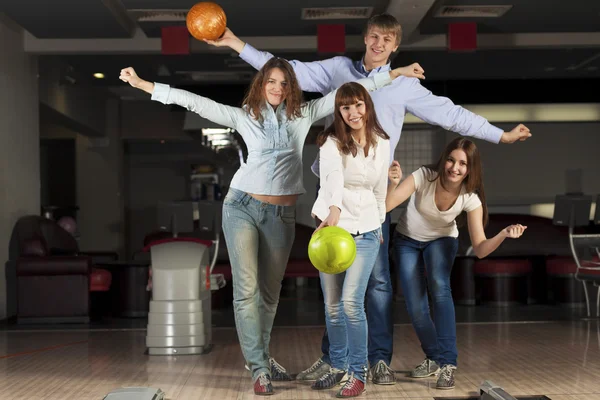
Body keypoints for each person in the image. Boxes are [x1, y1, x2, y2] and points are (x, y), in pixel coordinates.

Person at [205, 13, 532, 385]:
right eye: (374, 36)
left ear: (395, 46)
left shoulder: (405, 84)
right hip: (331, 188)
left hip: (374, 192)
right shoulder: (338, 70)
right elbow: (285, 71)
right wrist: (234, 43)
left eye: (387, 39)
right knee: (333, 274)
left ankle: (376, 359)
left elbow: (450, 115)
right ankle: (335, 359)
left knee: (375, 282)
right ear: (366, 38)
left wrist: (500, 136)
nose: (379, 44)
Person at [119, 60, 423, 396]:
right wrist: (146, 86)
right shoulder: (243, 116)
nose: (277, 89)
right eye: (271, 82)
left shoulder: (304, 114)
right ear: (260, 85)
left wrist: (394, 74)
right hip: (241, 207)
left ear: (292, 87)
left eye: (284, 83)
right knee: (247, 288)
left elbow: (347, 96)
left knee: (269, 293)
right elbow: (196, 102)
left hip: (282, 214)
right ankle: (260, 368)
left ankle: (260, 357)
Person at [385, 137, 527, 389]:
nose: (455, 167)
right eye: (451, 159)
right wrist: (393, 184)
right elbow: (386, 206)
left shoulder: (470, 198)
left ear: (470, 169)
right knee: (416, 307)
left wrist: (503, 234)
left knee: (440, 288)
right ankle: (434, 358)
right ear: (444, 159)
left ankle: (448, 365)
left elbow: (481, 249)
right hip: (407, 240)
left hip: (442, 240)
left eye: (463, 163)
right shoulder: (424, 176)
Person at [310, 82, 391, 398]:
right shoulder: (330, 142)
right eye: (346, 107)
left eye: (358, 105)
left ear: (367, 105)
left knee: (351, 304)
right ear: (339, 112)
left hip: (368, 231)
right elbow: (333, 177)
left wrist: (380, 221)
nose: (353, 112)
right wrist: (332, 211)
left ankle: (358, 374)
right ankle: (338, 367)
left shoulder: (382, 142)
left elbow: (379, 188)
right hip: (332, 229)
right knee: (332, 307)